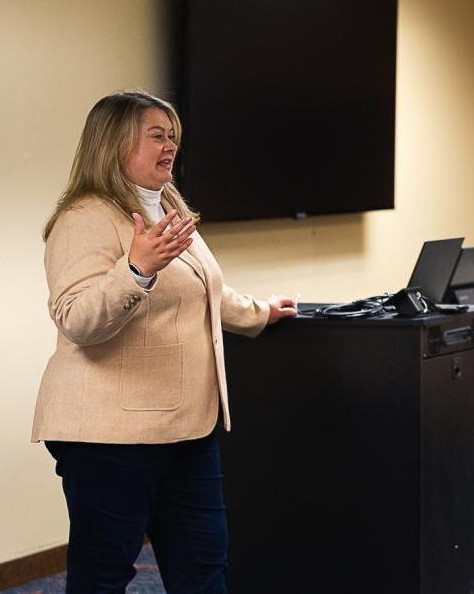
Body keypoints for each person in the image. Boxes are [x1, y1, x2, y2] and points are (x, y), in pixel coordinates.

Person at [31, 90, 297, 592]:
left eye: (173, 135)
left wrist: (261, 313)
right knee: (103, 574)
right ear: (114, 144)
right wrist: (136, 270)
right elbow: (78, 320)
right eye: (157, 134)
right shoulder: (84, 217)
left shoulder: (167, 206)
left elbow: (204, 290)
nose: (170, 145)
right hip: (108, 436)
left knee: (203, 567)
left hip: (187, 428)